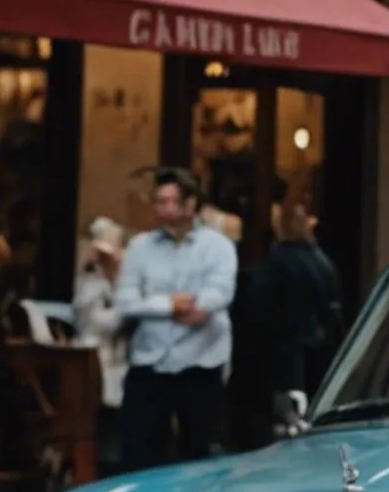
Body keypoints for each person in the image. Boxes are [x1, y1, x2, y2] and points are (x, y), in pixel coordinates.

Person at [114, 168, 238, 470]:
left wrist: (198, 305)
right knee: (139, 448)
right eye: (159, 201)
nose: (165, 209)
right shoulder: (140, 247)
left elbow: (221, 291)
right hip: (150, 358)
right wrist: (168, 305)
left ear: (191, 204)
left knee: (198, 450)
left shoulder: (217, 246)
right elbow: (126, 300)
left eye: (172, 201)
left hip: (201, 357)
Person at [232, 200, 343, 447]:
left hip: (284, 359)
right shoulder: (323, 262)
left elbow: (256, 312)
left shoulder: (277, 263)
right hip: (320, 355)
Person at [70, 218, 130, 468]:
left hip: (120, 363)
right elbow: (92, 320)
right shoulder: (89, 284)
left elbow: (122, 316)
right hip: (94, 360)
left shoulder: (123, 281)